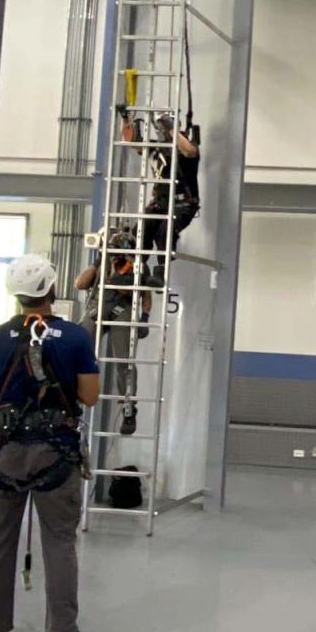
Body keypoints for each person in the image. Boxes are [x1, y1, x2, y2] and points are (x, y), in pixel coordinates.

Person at [0, 255, 100, 632]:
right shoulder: (75, 337)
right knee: (59, 545)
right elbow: (90, 396)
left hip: (5, 454)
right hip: (56, 453)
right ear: (52, 289)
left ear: (16, 293)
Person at [75, 228, 152, 434]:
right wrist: (98, 263)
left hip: (122, 309)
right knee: (79, 346)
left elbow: (145, 295)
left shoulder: (138, 267)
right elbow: (80, 284)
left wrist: (144, 318)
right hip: (98, 307)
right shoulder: (103, 265)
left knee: (124, 360)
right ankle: (71, 394)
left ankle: (128, 407)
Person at [121, 109, 200, 267]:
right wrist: (125, 119)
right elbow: (133, 142)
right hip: (160, 202)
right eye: (160, 127)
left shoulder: (186, 148)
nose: (162, 131)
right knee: (141, 230)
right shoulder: (157, 148)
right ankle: (134, 267)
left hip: (182, 203)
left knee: (165, 231)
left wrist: (171, 128)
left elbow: (189, 151)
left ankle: (161, 270)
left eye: (164, 127)